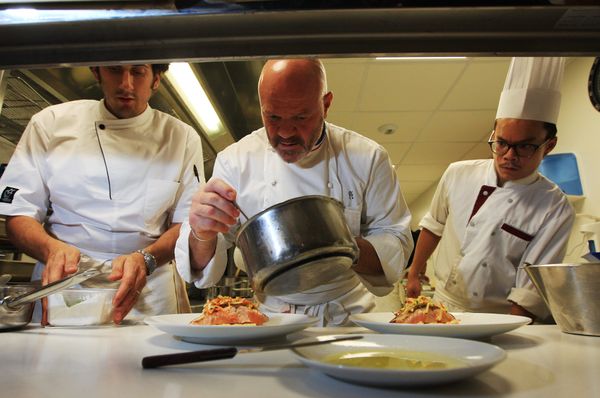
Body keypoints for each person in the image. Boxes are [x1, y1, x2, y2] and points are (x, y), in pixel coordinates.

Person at [175, 58, 413, 326]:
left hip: (348, 317)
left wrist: (334, 246)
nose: (286, 132)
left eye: (301, 117)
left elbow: (396, 240)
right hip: (269, 318)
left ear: (326, 104)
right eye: (273, 117)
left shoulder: (367, 157)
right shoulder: (235, 160)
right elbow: (202, 265)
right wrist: (202, 233)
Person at [0, 63, 204, 324]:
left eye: (138, 72)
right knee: (54, 363)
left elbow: (186, 223)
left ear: (156, 79)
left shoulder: (182, 138)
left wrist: (147, 259)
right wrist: (51, 250)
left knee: (150, 361)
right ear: (97, 72)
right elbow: (18, 215)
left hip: (149, 292)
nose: (126, 84)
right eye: (115, 70)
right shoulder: (50, 124)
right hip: (66, 287)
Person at [406, 57, 575, 321]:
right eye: (501, 143)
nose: (509, 155)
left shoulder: (555, 207)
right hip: (443, 304)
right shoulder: (458, 173)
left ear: (549, 145)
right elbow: (433, 225)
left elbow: (530, 285)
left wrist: (510, 331)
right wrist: (415, 271)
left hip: (500, 315)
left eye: (525, 146)